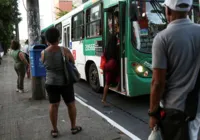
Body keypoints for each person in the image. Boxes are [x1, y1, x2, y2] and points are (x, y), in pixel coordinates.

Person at [149, 0, 200, 139]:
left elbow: (157, 82)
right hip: (196, 106)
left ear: (167, 10)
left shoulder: (162, 38)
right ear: (189, 10)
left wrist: (153, 114)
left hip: (175, 110)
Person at [41, 27, 82, 138]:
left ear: (47, 39)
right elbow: (72, 63)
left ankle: (54, 130)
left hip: (50, 83)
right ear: (58, 38)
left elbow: (44, 64)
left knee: (53, 105)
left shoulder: (43, 52)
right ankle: (73, 127)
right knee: (70, 104)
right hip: (65, 82)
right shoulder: (65, 50)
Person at [101, 35, 120, 106]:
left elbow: (104, 56)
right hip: (113, 65)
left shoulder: (106, 48)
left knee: (107, 83)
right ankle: (118, 88)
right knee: (119, 76)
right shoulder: (116, 48)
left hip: (107, 66)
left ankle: (103, 99)